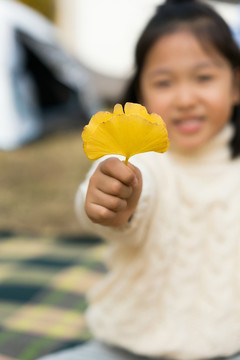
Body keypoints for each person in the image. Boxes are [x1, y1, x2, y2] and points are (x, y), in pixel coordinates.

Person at [38, 0, 240, 359]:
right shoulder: (144, 161)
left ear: (236, 85)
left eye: (204, 77)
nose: (185, 99)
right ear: (141, 92)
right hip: (128, 345)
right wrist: (110, 203)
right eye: (164, 82)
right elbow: (117, 200)